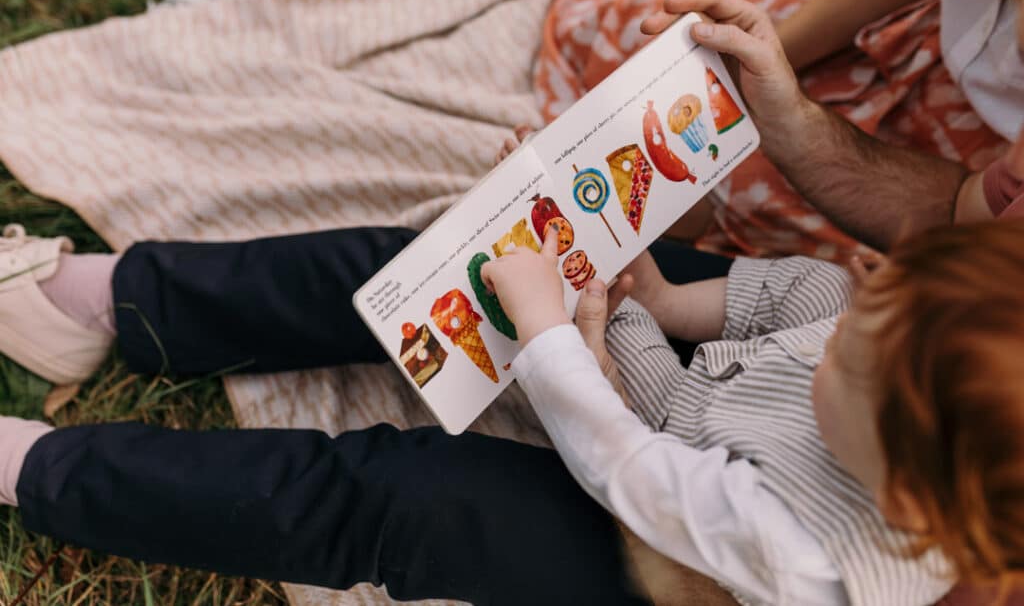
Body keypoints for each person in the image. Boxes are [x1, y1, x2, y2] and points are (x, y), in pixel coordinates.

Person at [2, 206, 1023, 604]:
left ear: (911, 484)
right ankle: (113, 302)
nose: (836, 340)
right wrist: (659, 302)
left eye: (848, 368)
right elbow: (808, 296)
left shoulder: (810, 554)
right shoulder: (877, 327)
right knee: (446, 271)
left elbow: (629, 468)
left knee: (401, 494)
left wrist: (552, 336)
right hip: (680, 422)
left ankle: (36, 469)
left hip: (672, 566)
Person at [537, 0, 1022, 259]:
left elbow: (964, 217)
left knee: (714, 195)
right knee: (617, 24)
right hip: (915, 36)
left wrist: (787, 119)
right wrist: (771, 61)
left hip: (952, 138)